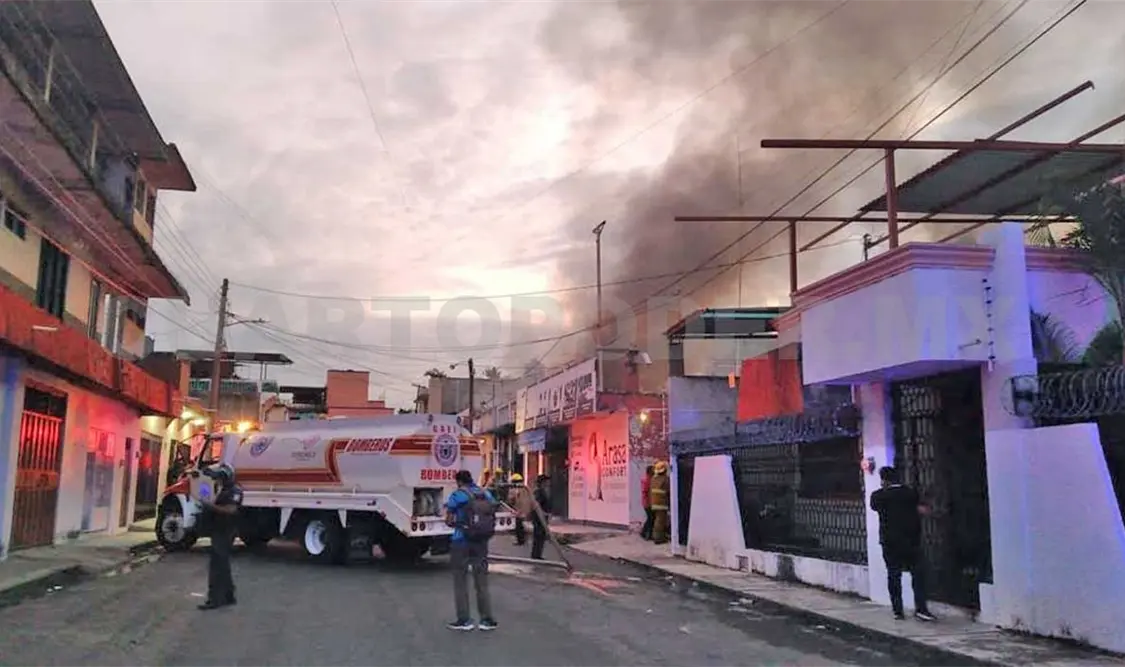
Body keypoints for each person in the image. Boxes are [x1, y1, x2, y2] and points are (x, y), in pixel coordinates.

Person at [870, 466, 936, 622]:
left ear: (883, 480)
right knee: (918, 575)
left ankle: (897, 611)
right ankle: (921, 608)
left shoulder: (879, 496)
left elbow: (874, 507)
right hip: (911, 541)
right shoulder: (910, 493)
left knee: (894, 575)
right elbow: (922, 509)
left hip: (890, 542)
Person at [444, 470, 498, 631]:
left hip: (461, 540)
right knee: (481, 581)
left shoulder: (457, 495)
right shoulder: (485, 493)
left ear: (459, 481)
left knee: (460, 580)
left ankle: (464, 620)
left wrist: (456, 523)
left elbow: (449, 519)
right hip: (481, 541)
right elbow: (493, 508)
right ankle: (487, 620)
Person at [198, 463, 241, 611]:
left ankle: (215, 599)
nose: (218, 480)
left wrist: (211, 506)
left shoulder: (234, 491)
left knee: (217, 566)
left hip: (225, 531)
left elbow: (231, 509)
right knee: (223, 564)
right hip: (220, 529)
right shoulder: (224, 489)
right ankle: (228, 596)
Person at [531, 474, 552, 560]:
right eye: (546, 481)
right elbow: (537, 505)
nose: (548, 483)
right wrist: (543, 514)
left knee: (541, 537)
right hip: (539, 518)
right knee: (538, 536)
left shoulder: (543, 491)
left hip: (542, 518)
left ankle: (537, 554)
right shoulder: (539, 492)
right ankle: (536, 555)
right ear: (542, 482)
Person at [508, 473, 532, 546]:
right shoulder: (526, 488)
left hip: (519, 511)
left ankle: (520, 541)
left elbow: (511, 500)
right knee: (523, 526)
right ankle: (524, 540)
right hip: (527, 510)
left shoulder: (514, 490)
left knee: (519, 527)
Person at [650, 461, 670, 544]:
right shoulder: (665, 479)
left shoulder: (654, 478)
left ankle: (659, 536)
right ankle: (658, 538)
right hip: (662, 503)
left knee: (657, 520)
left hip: (654, 502)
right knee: (660, 521)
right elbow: (669, 490)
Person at [640, 465, 655, 540]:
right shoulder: (648, 480)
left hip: (647, 502)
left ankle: (644, 532)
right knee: (651, 518)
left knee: (650, 518)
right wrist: (649, 502)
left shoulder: (647, 479)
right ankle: (647, 534)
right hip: (648, 503)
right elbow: (645, 492)